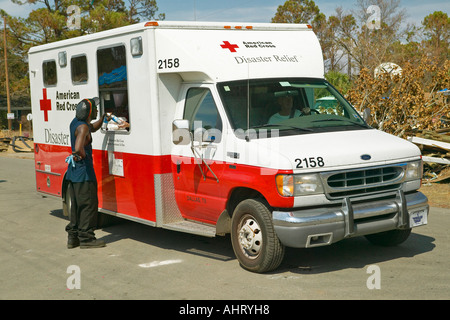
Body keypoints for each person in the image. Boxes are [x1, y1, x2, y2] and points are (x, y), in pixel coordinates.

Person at [65, 98, 107, 249]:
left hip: (73, 173)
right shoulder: (83, 128)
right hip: (84, 173)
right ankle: (87, 238)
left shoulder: (76, 123)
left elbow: (92, 127)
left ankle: (73, 238)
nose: (96, 110)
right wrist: (83, 155)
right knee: (88, 205)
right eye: (95, 109)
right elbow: (78, 148)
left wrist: (103, 119)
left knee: (76, 206)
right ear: (89, 112)